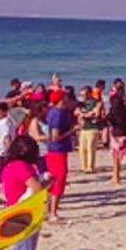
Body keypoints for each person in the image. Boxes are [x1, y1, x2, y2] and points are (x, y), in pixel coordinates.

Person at [44, 90, 76, 221]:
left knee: (53, 179)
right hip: (57, 150)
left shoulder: (57, 112)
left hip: (55, 150)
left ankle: (48, 210)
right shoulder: (57, 114)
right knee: (59, 179)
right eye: (66, 98)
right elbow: (55, 136)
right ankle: (53, 212)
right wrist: (72, 130)